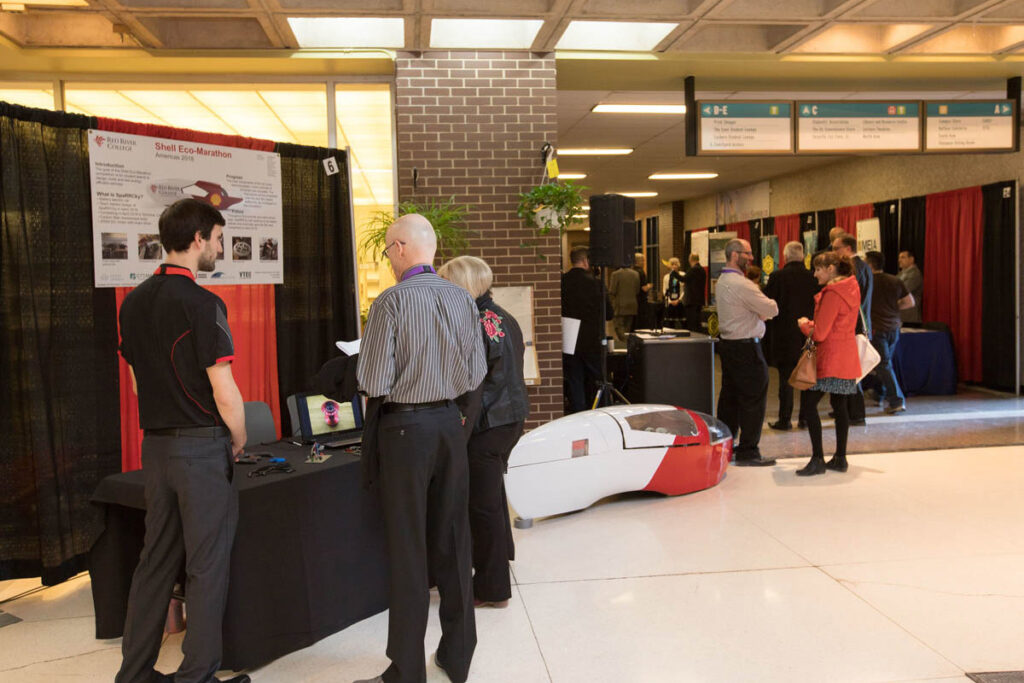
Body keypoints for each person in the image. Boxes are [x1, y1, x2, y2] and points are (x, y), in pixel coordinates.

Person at [115, 198, 249, 683]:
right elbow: (225, 392)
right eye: (216, 239)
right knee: (207, 566)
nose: (218, 247)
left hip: (157, 449)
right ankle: (197, 676)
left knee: (155, 562)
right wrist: (238, 438)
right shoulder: (202, 303)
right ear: (197, 240)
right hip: (201, 449)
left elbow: (136, 384)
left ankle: (134, 673)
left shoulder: (132, 301)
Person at [355, 214, 487, 683]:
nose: (389, 259)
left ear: (403, 248)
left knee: (408, 549)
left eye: (389, 251)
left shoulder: (389, 302)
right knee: (454, 541)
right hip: (451, 426)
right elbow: (476, 375)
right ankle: (458, 656)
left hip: (405, 432)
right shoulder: (463, 299)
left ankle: (406, 670)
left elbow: (372, 381)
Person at [437, 256, 528, 611]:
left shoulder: (471, 322)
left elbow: (472, 389)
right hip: (511, 419)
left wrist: (458, 436)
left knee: (483, 505)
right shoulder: (504, 316)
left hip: (487, 424)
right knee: (491, 495)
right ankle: (500, 559)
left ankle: (492, 588)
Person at [795, 251, 862, 476]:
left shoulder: (832, 293)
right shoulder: (851, 288)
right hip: (846, 357)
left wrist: (805, 325)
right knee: (840, 407)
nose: (814, 274)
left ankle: (817, 460)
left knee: (808, 406)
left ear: (831, 268)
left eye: (818, 269)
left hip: (830, 358)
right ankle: (840, 458)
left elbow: (821, 333)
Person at [716, 239, 779, 467]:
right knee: (753, 398)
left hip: (729, 346)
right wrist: (759, 313)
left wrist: (756, 312)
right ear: (735, 254)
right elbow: (772, 308)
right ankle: (749, 452)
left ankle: (726, 447)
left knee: (730, 399)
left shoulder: (723, 280)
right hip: (746, 348)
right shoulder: (741, 284)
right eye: (748, 253)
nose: (751, 258)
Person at [765, 241, 818, 431]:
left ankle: (785, 419)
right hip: (808, 334)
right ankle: (805, 418)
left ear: (785, 257)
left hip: (784, 336)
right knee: (807, 378)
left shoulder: (777, 277)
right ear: (803, 256)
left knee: (785, 381)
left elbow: (769, 305)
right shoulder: (813, 278)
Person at [865, 251, 915, 414]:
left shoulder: (868, 282)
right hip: (894, 327)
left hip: (877, 328)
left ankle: (896, 401)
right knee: (884, 363)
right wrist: (893, 309)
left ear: (870, 265)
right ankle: (880, 393)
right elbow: (910, 302)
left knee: (883, 364)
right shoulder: (895, 280)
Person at [561, 246, 609, 414]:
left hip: (568, 338)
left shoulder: (561, 282)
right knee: (597, 378)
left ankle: (577, 413)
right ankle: (598, 412)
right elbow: (608, 313)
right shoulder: (596, 284)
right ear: (586, 261)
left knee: (574, 379)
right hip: (591, 338)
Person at [831, 233, 871, 426]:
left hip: (854, 325)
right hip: (858, 323)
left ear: (848, 248)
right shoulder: (863, 266)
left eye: (836, 248)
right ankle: (846, 409)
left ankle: (855, 413)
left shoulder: (855, 268)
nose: (834, 253)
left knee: (852, 372)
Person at [609, 261, 641, 342]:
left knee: (618, 326)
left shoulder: (615, 274)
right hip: (632, 305)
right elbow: (637, 290)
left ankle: (624, 343)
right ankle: (627, 344)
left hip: (620, 305)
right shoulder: (636, 274)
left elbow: (612, 290)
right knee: (627, 328)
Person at [682, 252, 706, 333]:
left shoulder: (693, 269)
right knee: (697, 322)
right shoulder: (702, 270)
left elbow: (684, 279)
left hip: (691, 300)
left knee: (692, 323)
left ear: (690, 260)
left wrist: (674, 273)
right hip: (699, 300)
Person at [898, 250, 923, 323]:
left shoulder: (915, 274)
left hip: (909, 315)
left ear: (911, 259)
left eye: (903, 257)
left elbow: (902, 290)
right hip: (900, 314)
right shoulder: (901, 273)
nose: (899, 260)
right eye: (899, 258)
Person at [632, 252, 654, 330]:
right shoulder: (641, 272)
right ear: (639, 261)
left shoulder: (632, 271)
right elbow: (644, 288)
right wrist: (649, 286)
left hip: (633, 299)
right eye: (643, 261)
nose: (644, 263)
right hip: (641, 300)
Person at [662, 257, 686, 329]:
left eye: (676, 264)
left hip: (680, 303)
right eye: (672, 264)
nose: (674, 266)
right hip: (670, 303)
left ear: (678, 265)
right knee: (670, 324)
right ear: (669, 266)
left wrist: (679, 300)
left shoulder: (683, 274)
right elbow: (664, 290)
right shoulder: (666, 277)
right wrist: (670, 300)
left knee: (682, 324)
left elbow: (684, 289)